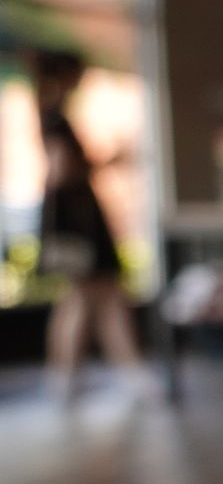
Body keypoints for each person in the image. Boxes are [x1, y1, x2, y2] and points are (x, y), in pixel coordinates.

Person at [34, 49, 147, 402]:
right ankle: (119, 373)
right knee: (93, 297)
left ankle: (73, 376)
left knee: (89, 298)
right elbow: (61, 171)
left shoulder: (49, 113)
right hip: (77, 222)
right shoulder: (55, 118)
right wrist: (105, 161)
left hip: (75, 220)